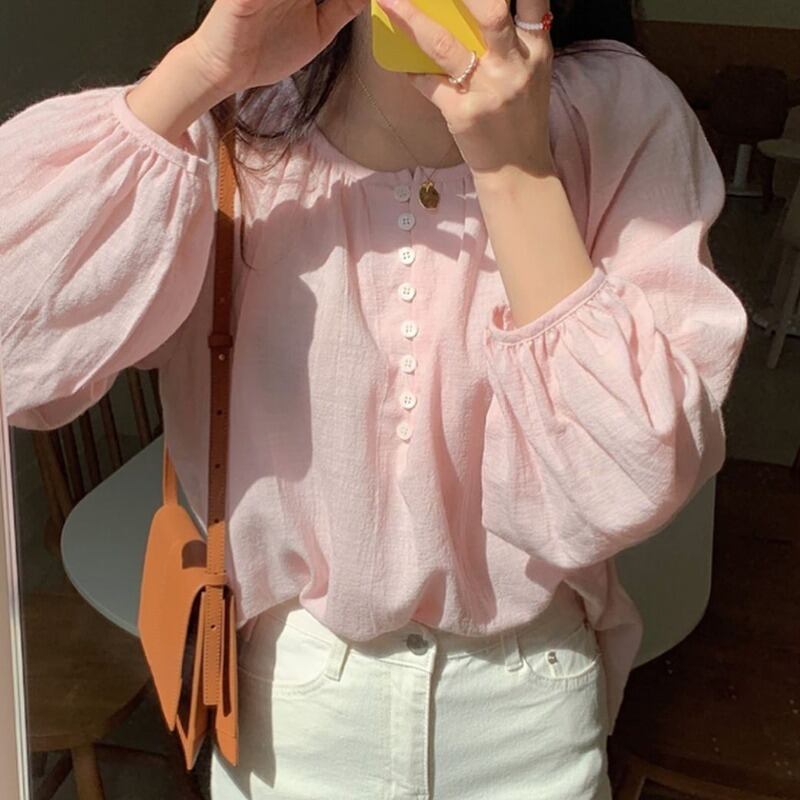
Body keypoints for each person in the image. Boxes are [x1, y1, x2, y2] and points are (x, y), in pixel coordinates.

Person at [0, 0, 748, 797]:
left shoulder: (618, 114)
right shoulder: (237, 120)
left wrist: (515, 170)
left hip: (530, 707)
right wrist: (201, 72)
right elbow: (18, 350)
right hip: (292, 711)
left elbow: (627, 480)